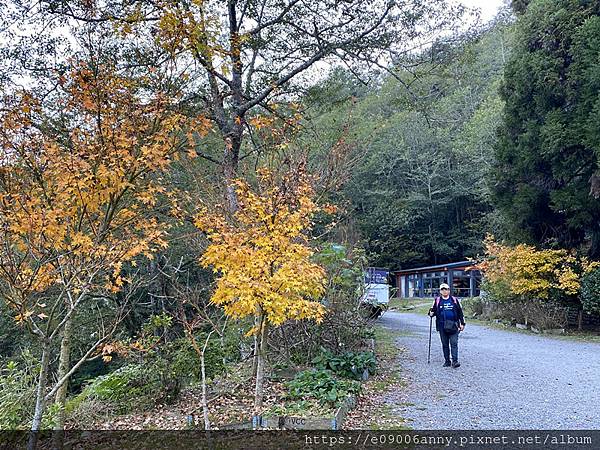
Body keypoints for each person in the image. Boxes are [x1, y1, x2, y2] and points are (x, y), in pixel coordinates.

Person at [428, 283, 465, 368]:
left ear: (449, 290)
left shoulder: (454, 300)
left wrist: (462, 323)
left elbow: (460, 312)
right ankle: (447, 361)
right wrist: (431, 313)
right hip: (442, 326)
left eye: (446, 289)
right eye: (443, 289)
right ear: (440, 291)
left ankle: (455, 361)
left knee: (454, 343)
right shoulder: (437, 301)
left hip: (454, 325)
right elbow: (432, 312)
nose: (445, 291)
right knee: (445, 344)